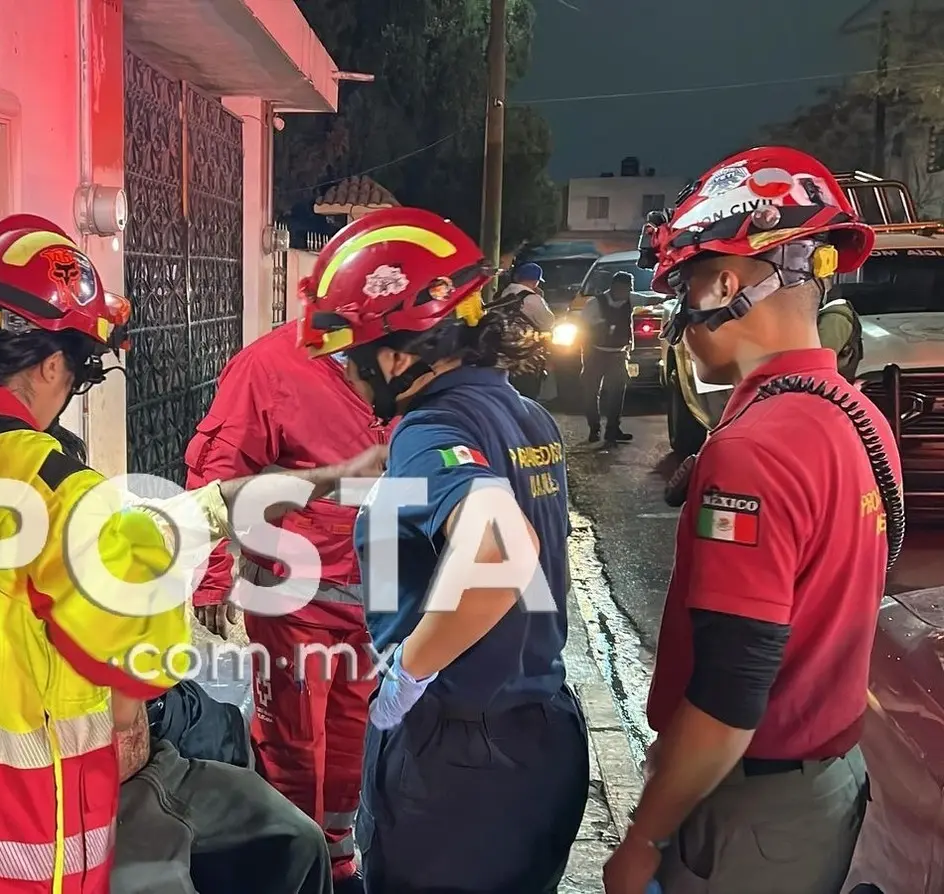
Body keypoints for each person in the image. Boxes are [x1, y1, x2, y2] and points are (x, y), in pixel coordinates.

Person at [0, 214, 384, 894]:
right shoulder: (56, 493)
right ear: (52, 363)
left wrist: (267, 495)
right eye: (78, 372)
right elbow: (143, 667)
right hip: (0, 860)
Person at [603, 147, 903, 894]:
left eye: (684, 286)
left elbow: (731, 693)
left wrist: (643, 838)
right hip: (824, 787)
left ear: (727, 284)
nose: (679, 316)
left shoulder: (754, 451)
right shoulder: (859, 415)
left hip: (750, 814)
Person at [298, 207, 590, 894]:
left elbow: (498, 551)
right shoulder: (524, 413)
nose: (348, 371)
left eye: (351, 353)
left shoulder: (430, 427)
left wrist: (408, 671)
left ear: (399, 354)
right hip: (541, 735)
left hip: (459, 764)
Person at [43, 425, 332, 894]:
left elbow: (206, 509)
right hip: (86, 799)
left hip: (155, 760)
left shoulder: (105, 556)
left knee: (297, 836)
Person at [184, 322, 388, 894]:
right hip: (295, 598)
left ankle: (338, 860)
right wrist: (213, 577)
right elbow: (219, 472)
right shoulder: (271, 367)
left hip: (382, 605)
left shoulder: (413, 362)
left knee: (357, 736)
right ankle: (290, 868)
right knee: (293, 745)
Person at [580, 269, 636, 444]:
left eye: (627, 290)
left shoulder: (631, 300)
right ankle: (594, 428)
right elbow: (582, 326)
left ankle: (613, 429)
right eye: (621, 289)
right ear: (613, 287)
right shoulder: (594, 304)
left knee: (617, 393)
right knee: (590, 392)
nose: (624, 293)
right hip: (595, 352)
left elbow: (652, 300)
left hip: (618, 354)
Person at [490, 261, 556, 399]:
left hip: (500, 354)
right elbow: (548, 322)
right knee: (526, 394)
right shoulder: (533, 298)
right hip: (525, 356)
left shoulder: (503, 294)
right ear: (535, 281)